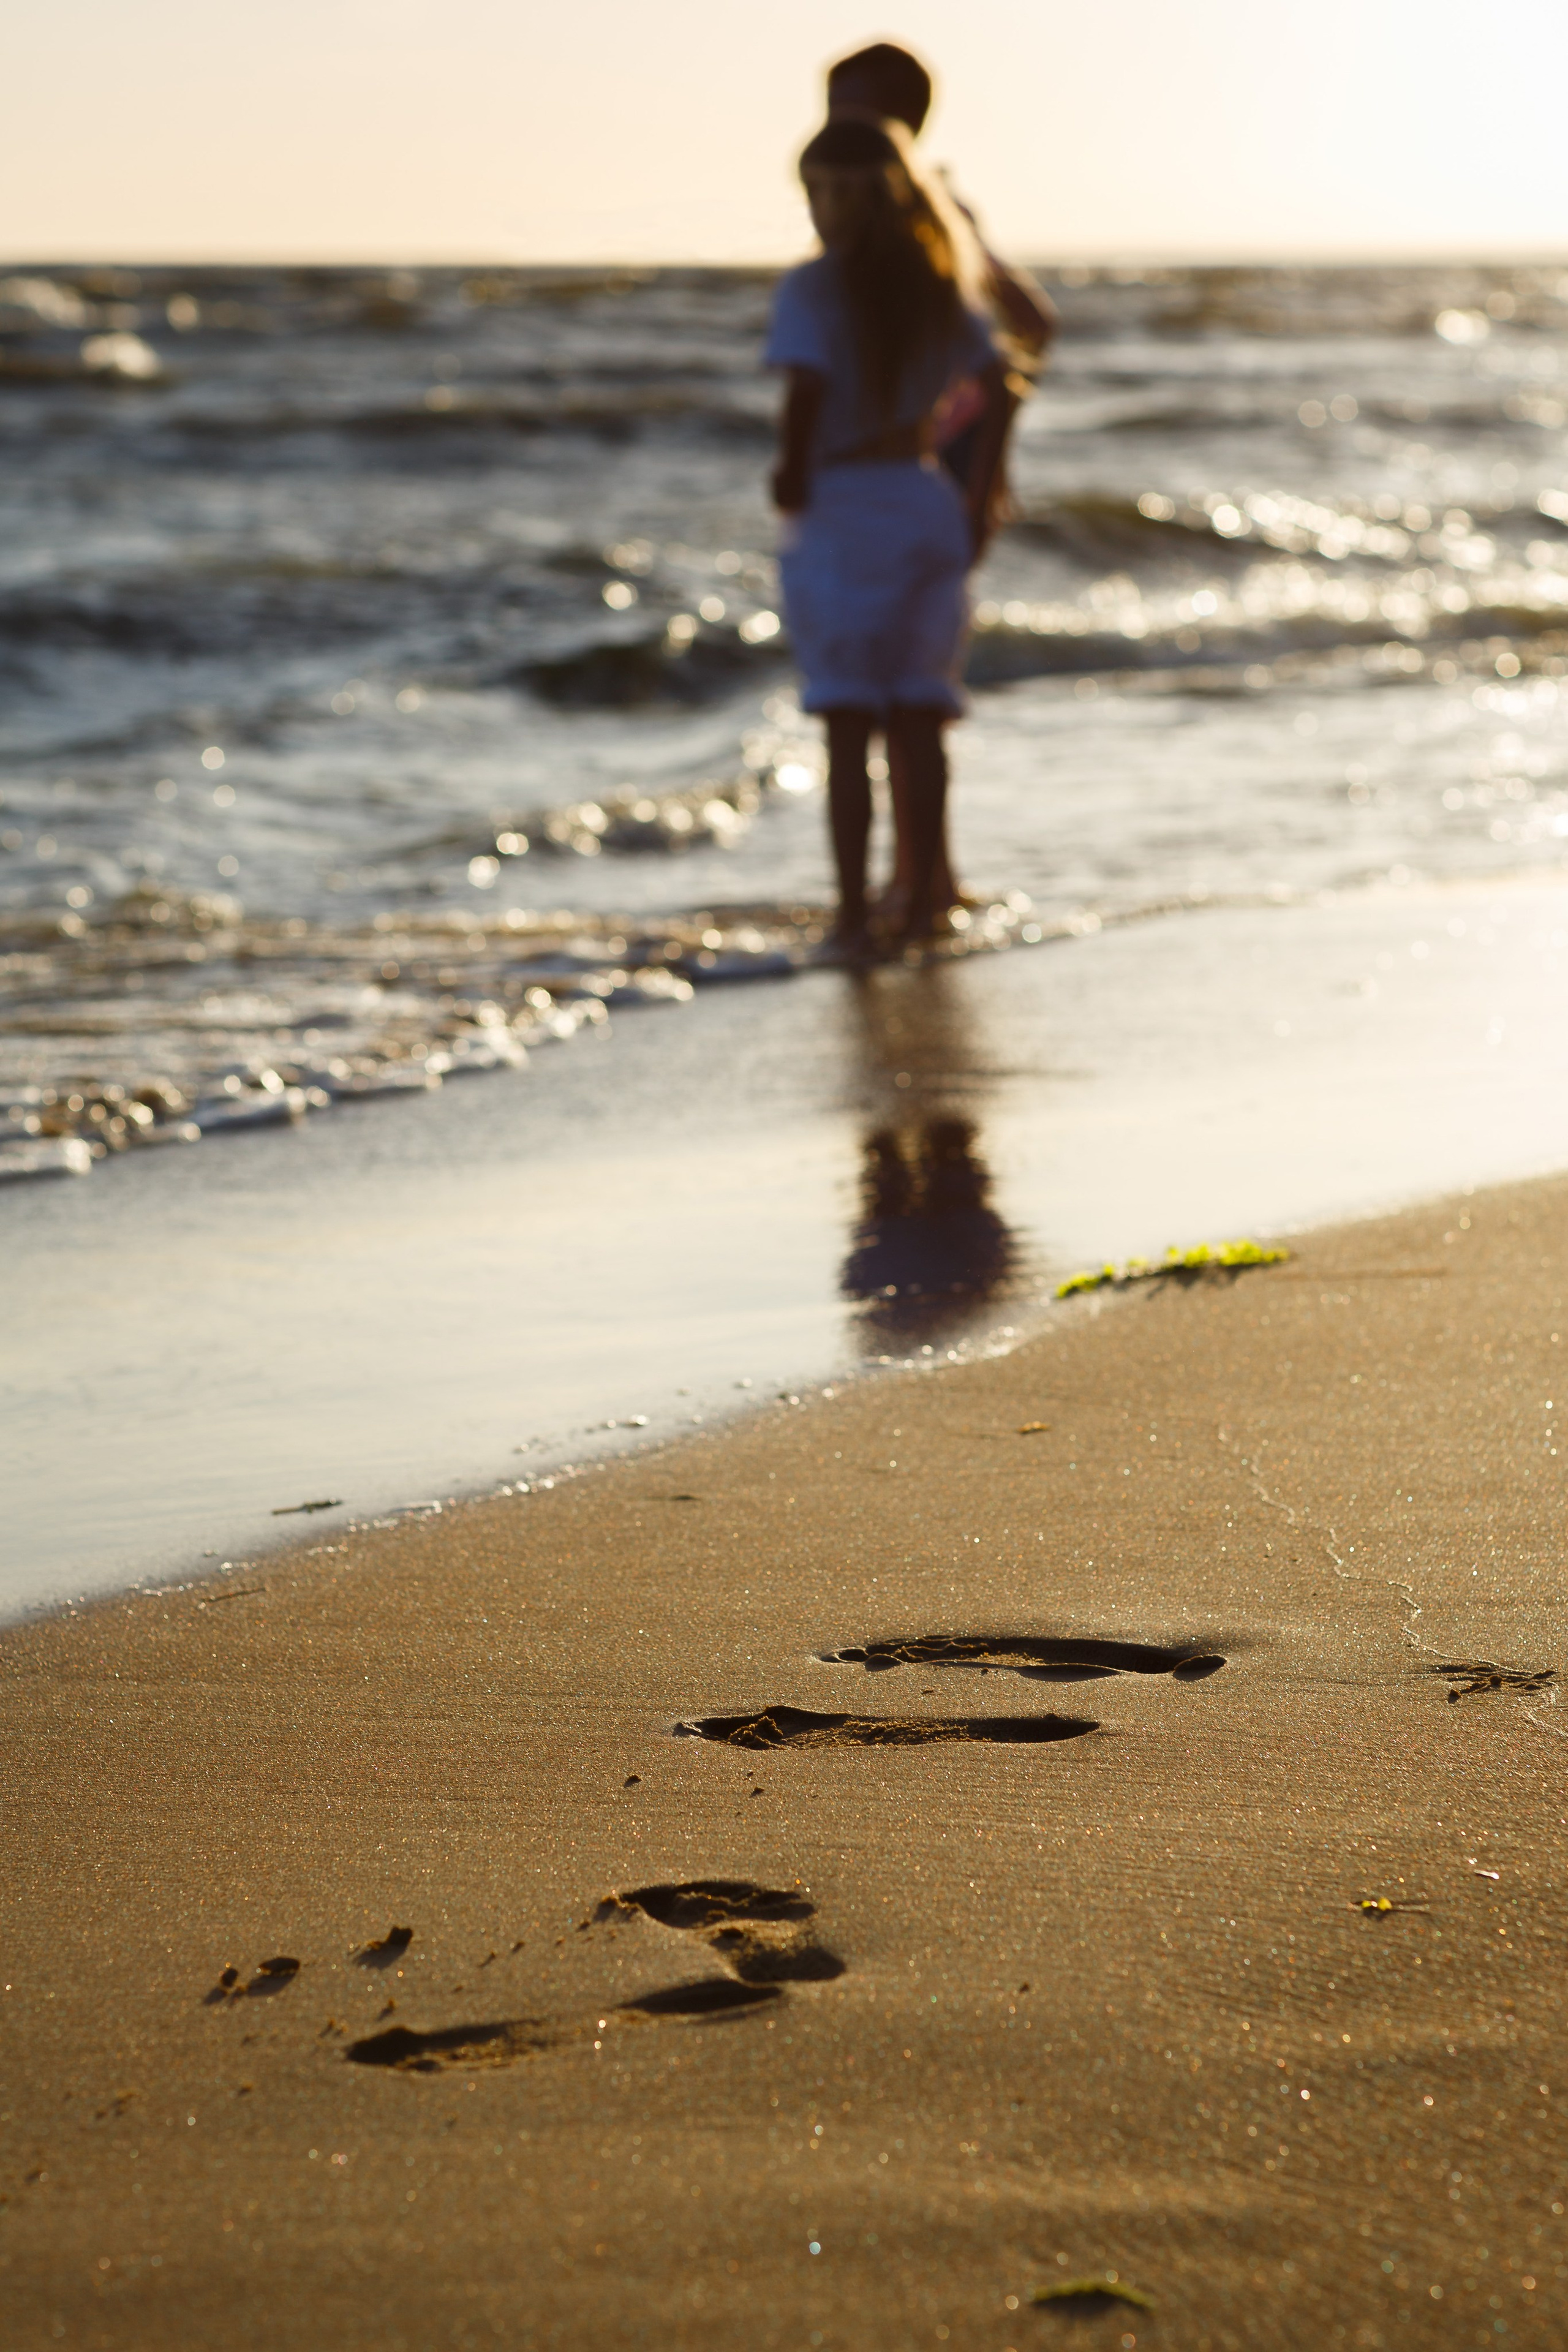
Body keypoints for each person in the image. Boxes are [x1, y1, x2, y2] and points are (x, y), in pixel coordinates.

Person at [766, 118, 1011, 949]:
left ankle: (852, 913)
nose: (814, 208)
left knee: (845, 724)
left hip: (845, 506)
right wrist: (980, 492)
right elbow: (1000, 384)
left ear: (850, 194)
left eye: (820, 191)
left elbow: (805, 390)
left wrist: (791, 471)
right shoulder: (937, 281)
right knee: (918, 713)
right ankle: (923, 900)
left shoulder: (813, 288)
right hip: (924, 492)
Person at [824, 42, 1056, 918]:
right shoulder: (861, 209)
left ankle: (926, 877)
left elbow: (1030, 327)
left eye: (856, 112)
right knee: (900, 693)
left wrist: (978, 446)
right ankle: (919, 876)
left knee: (915, 695)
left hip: (929, 473)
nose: (838, 127)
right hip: (891, 475)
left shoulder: (933, 212)